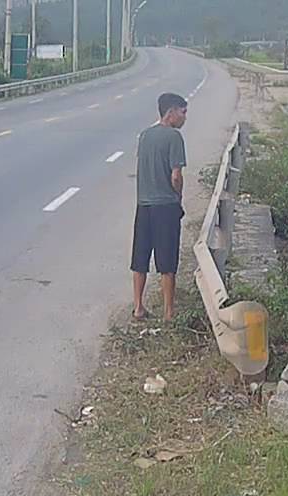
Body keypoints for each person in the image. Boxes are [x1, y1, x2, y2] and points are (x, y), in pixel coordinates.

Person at [131, 92, 188, 323]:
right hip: (165, 206)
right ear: (171, 112)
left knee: (140, 258)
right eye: (183, 112)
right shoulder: (174, 137)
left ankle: (138, 307)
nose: (184, 117)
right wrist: (178, 194)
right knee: (167, 262)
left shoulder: (145, 135)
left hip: (143, 205)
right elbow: (176, 175)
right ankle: (168, 313)